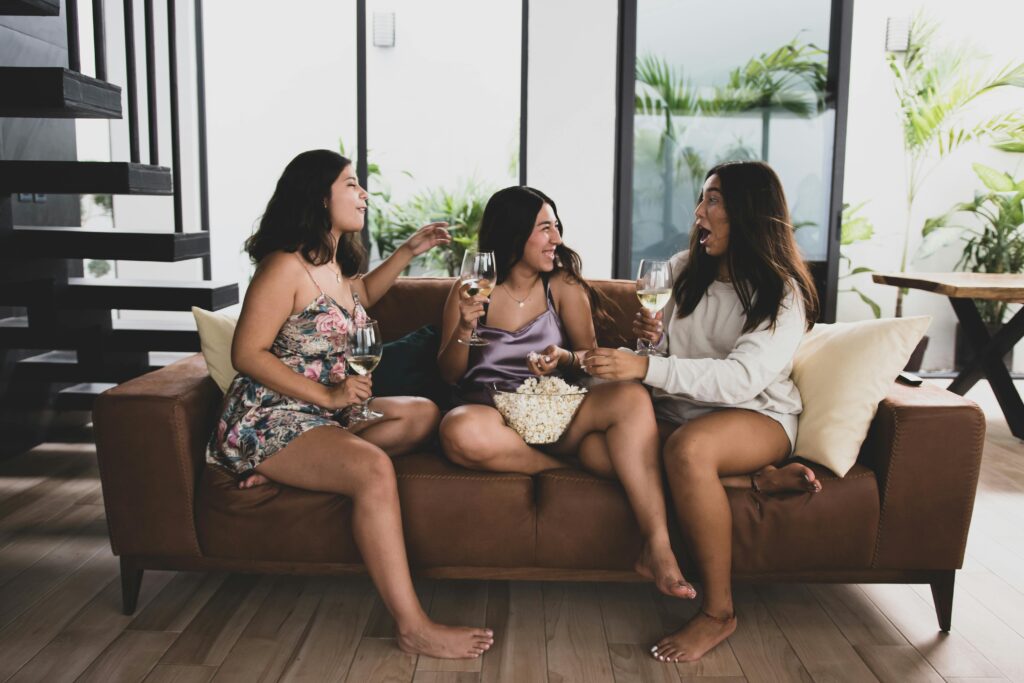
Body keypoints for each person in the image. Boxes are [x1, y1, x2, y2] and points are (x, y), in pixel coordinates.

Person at [206, 149, 494, 659]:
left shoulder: (332, 266)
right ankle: (413, 626)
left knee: (423, 413)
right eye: (351, 184)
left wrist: (409, 250)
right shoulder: (283, 266)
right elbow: (245, 353)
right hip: (270, 416)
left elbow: (360, 295)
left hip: (323, 417)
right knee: (372, 471)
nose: (364, 194)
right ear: (320, 196)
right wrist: (327, 394)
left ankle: (288, 470)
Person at [583, 160, 823, 663]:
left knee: (689, 451)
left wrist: (645, 369)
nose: (699, 213)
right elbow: (669, 356)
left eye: (713, 201)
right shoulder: (683, 270)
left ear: (749, 213)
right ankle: (754, 482)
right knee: (600, 449)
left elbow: (739, 381)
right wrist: (650, 345)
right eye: (702, 199)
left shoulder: (783, 294)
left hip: (755, 414)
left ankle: (718, 612)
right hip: (683, 408)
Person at [437, 185, 690, 600]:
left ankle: (658, 547)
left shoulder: (564, 285)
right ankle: (561, 467)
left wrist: (563, 359)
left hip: (554, 407)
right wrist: (465, 329)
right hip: (489, 411)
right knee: (458, 430)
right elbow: (449, 375)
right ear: (514, 232)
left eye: (557, 227)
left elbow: (588, 357)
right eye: (544, 228)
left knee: (630, 397)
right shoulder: (471, 288)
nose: (556, 239)